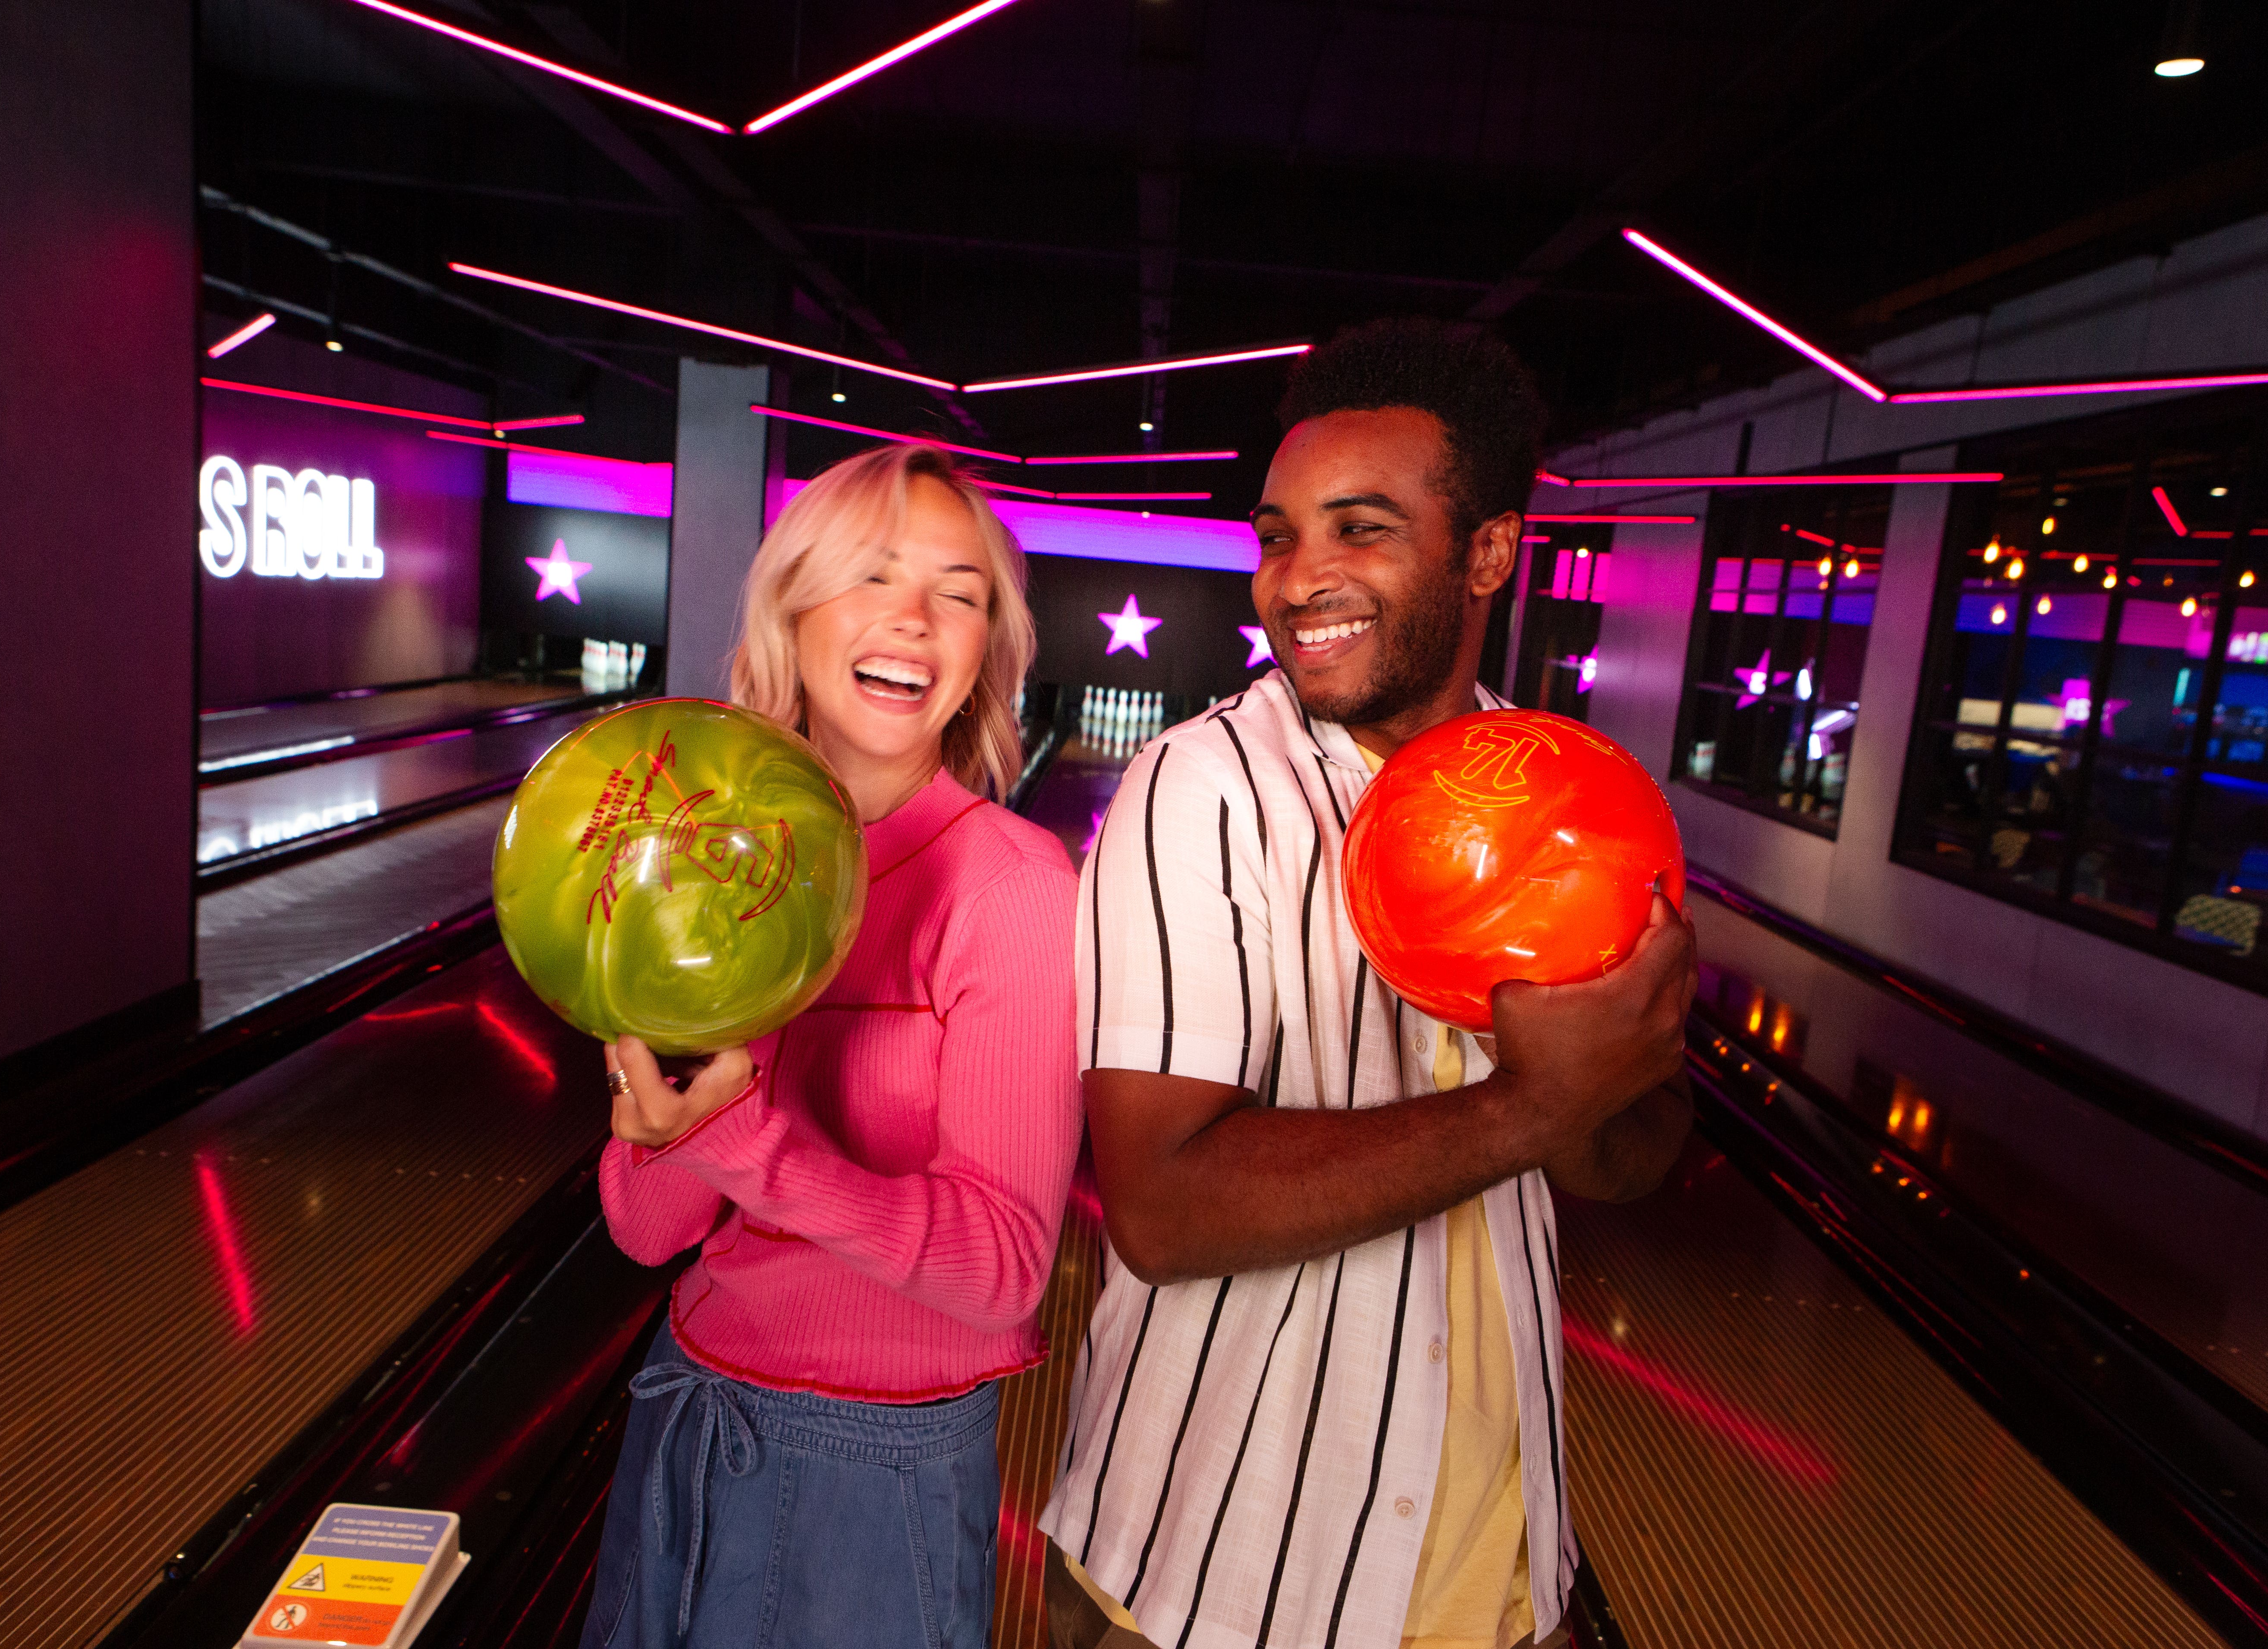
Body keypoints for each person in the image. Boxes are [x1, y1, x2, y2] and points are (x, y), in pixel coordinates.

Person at [1040, 319, 1697, 1649]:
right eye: (1280, 535)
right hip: (1216, 1583)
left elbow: (1622, 1160)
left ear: (1491, 553)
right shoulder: (1205, 788)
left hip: (1499, 1579)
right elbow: (1162, 1208)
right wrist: (1527, 1105)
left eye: (1362, 529)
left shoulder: (1572, 806)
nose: (1298, 578)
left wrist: (1617, 1079)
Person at [580, 443, 1083, 1649]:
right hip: (690, 1402)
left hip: (875, 1468)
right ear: (792, 611)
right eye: (871, 575)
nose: (913, 617)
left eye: (959, 593)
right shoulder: (707, 859)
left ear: (985, 648)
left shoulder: (1011, 888)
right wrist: (669, 1126)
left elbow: (1007, 1269)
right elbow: (650, 1229)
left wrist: (741, 1139)